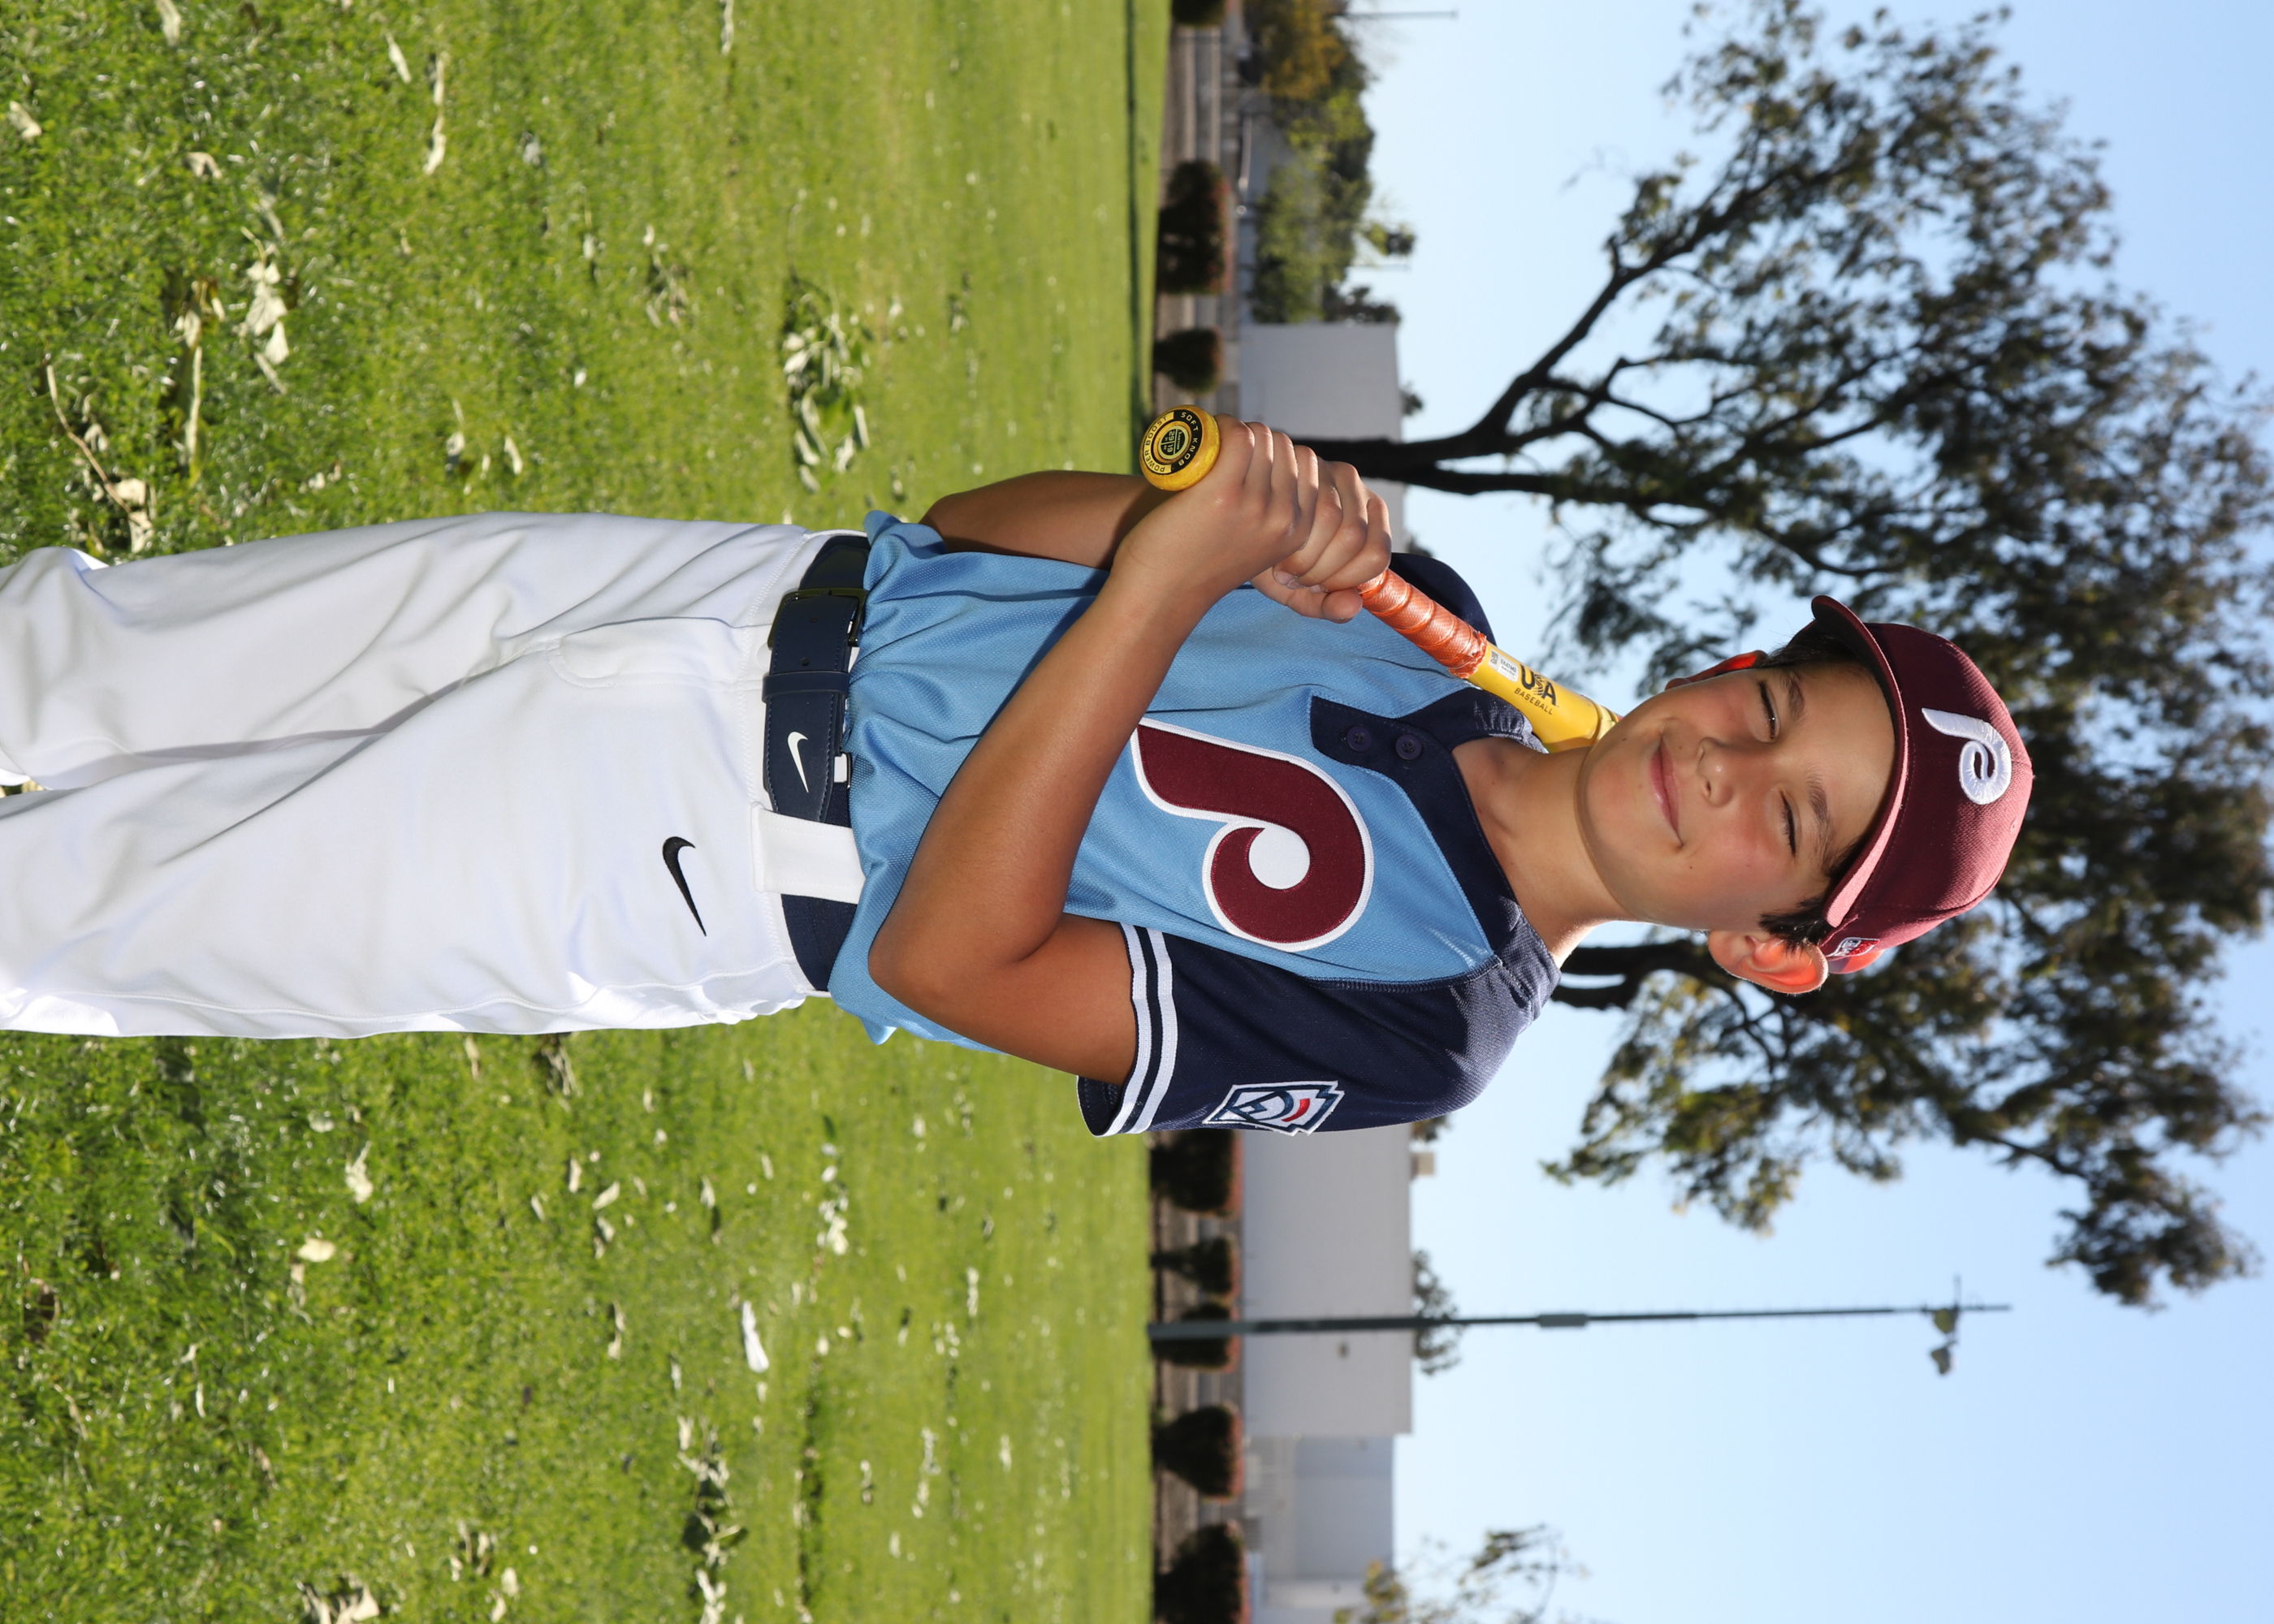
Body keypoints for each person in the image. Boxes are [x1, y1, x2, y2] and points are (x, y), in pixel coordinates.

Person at [0, 421, 2030, 1140]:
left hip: (706, 857)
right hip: (739, 588)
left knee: (93, 906)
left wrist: (1167, 589)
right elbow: (968, 531)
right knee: (91, 650)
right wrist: (1233, 517)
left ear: (1771, 946)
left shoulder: (1433, 1019)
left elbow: (956, 961)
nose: (1722, 759)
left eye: (1789, 822)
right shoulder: (1437, 617)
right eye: (1767, 701)